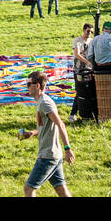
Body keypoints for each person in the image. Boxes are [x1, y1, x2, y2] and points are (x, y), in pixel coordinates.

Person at [20, 70, 74, 198]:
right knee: (61, 190)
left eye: (29, 84)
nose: (27, 87)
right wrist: (32, 133)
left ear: (37, 86)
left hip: (48, 156)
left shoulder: (45, 103)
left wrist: (68, 149)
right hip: (53, 154)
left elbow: (60, 124)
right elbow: (47, 126)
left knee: (29, 189)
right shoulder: (41, 101)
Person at [69, 23, 93, 123]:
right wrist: (87, 62)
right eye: (88, 31)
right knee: (80, 92)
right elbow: (77, 54)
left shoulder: (92, 41)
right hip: (79, 69)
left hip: (89, 70)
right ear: (83, 30)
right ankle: (73, 114)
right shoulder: (77, 40)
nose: (89, 33)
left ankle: (88, 114)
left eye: (91, 32)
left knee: (89, 92)